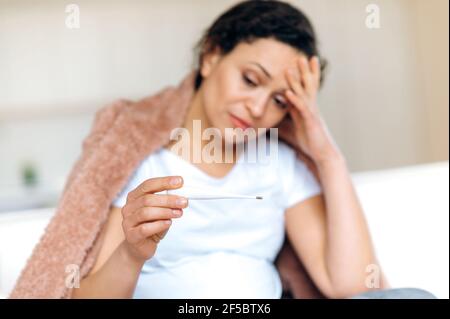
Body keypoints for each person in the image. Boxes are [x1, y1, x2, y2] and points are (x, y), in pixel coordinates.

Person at [72, 0, 435, 299]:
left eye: (279, 99)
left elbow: (353, 286)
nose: (258, 107)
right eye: (250, 80)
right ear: (211, 56)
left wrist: (327, 155)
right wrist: (132, 253)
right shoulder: (140, 161)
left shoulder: (280, 166)